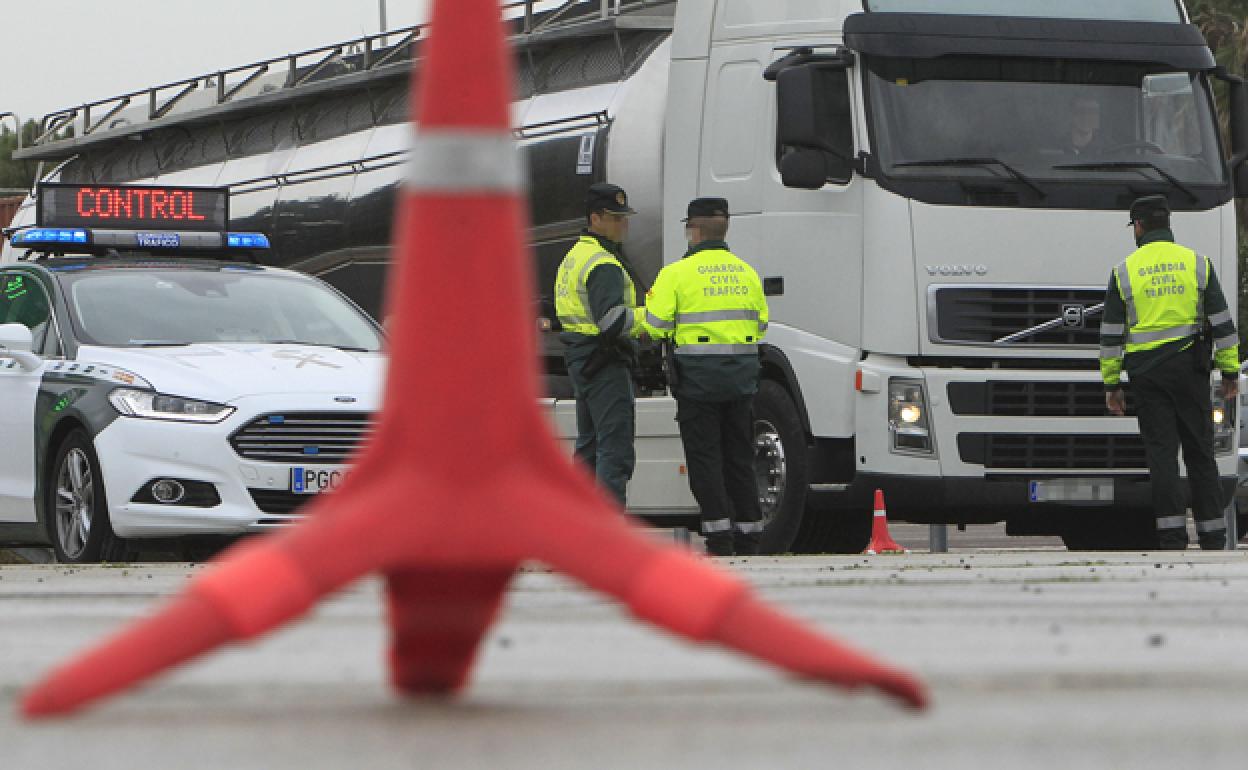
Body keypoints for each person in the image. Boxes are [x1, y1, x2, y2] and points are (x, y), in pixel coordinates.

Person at [1100, 195, 1240, 550]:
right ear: (1168, 224)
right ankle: (1212, 536)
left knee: (1162, 456)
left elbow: (1111, 336)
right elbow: (1223, 325)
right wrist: (1229, 374)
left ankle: (1172, 537)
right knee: (1200, 452)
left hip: (1147, 375)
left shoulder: (1124, 271)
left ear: (1140, 226)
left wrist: (1112, 384)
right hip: (1189, 369)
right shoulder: (1198, 264)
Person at [644, 198, 769, 556]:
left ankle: (719, 536)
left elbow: (655, 325)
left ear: (692, 230)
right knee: (740, 457)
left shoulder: (676, 274)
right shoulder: (746, 272)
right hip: (742, 381)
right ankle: (750, 533)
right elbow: (760, 323)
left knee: (705, 459)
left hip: (698, 383)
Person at [554, 183, 645, 506]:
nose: (624, 224)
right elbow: (612, 322)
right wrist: (651, 318)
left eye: (624, 217)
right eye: (616, 218)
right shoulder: (602, 262)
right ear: (596, 218)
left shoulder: (574, 256)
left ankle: (577, 529)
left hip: (583, 361)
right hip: (605, 362)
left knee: (589, 447)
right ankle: (608, 535)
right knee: (614, 449)